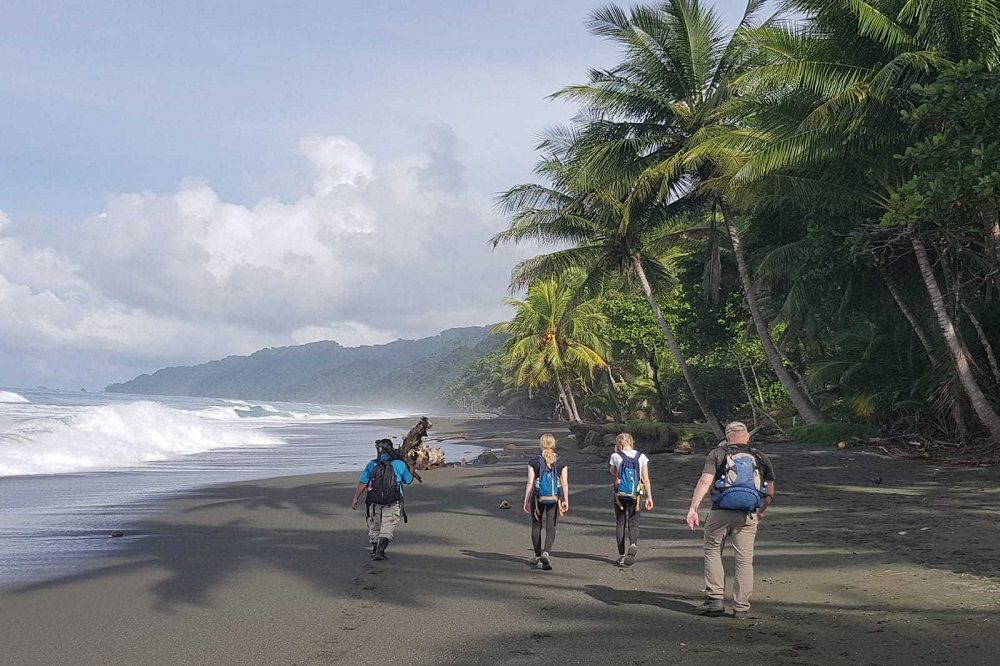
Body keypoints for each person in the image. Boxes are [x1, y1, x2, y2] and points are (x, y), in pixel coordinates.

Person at [685, 421, 776, 620]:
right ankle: (741, 607)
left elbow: (705, 481)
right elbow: (770, 491)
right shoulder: (760, 456)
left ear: (727, 438)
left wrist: (694, 509)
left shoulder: (717, 454)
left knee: (712, 550)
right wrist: (760, 511)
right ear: (747, 438)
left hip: (720, 511)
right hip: (748, 514)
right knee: (744, 560)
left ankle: (715, 599)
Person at [352, 438, 415, 560]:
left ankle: (375, 549)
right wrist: (411, 469)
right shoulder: (399, 464)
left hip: (374, 501)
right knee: (388, 524)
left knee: (375, 525)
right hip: (393, 500)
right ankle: (380, 551)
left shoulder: (372, 464)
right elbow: (408, 480)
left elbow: (363, 482)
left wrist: (356, 498)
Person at [522, 433, 569, 570]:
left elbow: (530, 482)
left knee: (536, 525)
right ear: (554, 444)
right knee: (551, 526)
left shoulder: (534, 461)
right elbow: (564, 483)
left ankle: (537, 556)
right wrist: (565, 499)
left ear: (541, 444)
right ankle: (546, 553)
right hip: (554, 498)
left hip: (538, 498)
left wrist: (526, 500)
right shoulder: (561, 461)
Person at [609, 433, 654, 567]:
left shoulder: (615, 456)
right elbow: (645, 479)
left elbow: (612, 472)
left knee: (620, 523)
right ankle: (633, 544)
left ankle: (622, 555)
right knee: (634, 523)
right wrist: (649, 496)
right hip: (636, 494)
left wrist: (616, 454)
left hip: (620, 494)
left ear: (618, 443)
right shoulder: (641, 457)